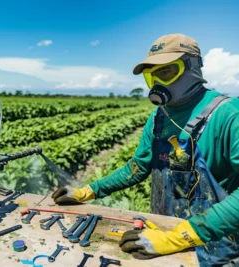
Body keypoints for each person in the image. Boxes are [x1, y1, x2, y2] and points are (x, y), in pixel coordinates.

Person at [51, 33, 239, 266]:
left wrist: (178, 237)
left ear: (193, 68)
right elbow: (138, 167)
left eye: (167, 71)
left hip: (215, 247)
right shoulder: (159, 116)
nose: (158, 83)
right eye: (152, 76)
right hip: (162, 238)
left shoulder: (229, 114)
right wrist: (88, 191)